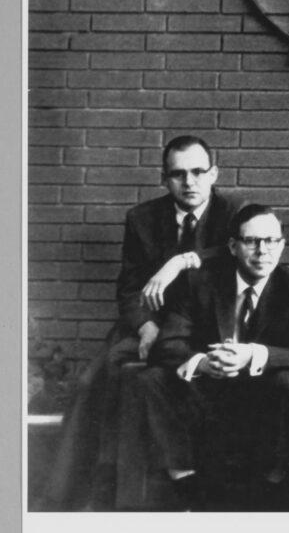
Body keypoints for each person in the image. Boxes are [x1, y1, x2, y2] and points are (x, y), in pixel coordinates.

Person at [45, 135, 239, 509]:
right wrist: (146, 326)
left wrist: (181, 261)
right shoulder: (142, 218)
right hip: (150, 323)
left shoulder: (234, 212)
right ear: (164, 178)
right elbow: (130, 287)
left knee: (156, 384)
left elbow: (239, 252)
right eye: (178, 174)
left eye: (198, 172)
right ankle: (69, 497)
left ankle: (176, 490)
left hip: (205, 326)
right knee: (91, 383)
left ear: (214, 174)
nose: (189, 182)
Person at [138, 204, 289, 510]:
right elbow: (169, 344)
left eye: (271, 241)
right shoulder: (201, 282)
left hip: (263, 390)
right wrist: (204, 363)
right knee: (153, 378)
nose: (262, 250)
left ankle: (272, 485)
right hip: (210, 389)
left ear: (282, 245)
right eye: (252, 241)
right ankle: (185, 482)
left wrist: (251, 355)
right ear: (233, 246)